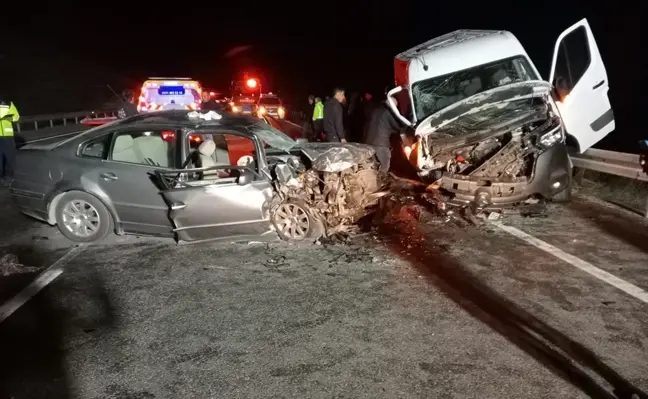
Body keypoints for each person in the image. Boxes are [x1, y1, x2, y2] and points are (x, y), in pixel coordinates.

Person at [364, 98, 403, 174]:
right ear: (392, 105)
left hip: (369, 142)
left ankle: (373, 179)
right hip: (381, 143)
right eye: (395, 106)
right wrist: (404, 128)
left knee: (374, 165)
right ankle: (380, 181)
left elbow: (381, 125)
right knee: (385, 164)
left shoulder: (375, 110)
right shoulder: (387, 112)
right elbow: (396, 126)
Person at [0, 98, 19, 186]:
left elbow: (16, 116)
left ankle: (9, 177)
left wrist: (10, 118)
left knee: (10, 157)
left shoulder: (9, 103)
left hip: (7, 136)